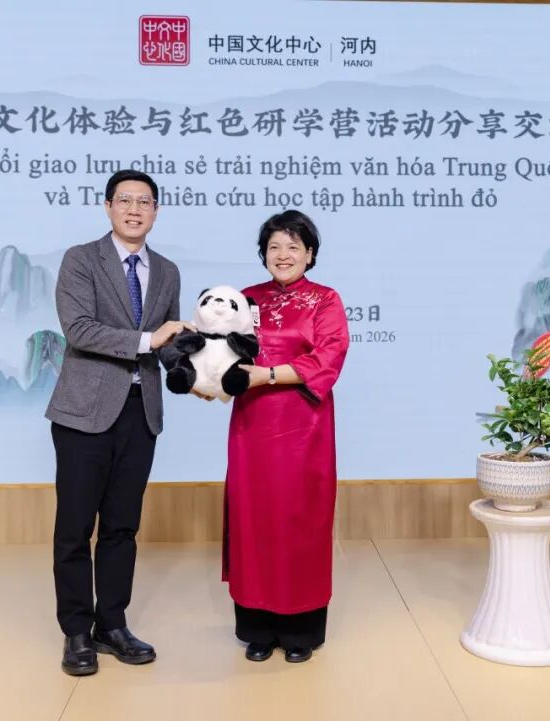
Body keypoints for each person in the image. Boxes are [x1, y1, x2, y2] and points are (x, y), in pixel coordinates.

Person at [46, 170, 191, 676]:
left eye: (144, 202)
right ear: (107, 206)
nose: (134, 209)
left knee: (122, 527)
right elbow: (79, 330)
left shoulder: (167, 271)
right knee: (74, 528)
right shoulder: (81, 259)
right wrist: (150, 341)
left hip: (140, 411)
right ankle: (75, 632)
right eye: (124, 200)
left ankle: (112, 624)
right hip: (83, 413)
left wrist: (198, 369)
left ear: (156, 211)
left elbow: (169, 342)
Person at [223, 209, 350, 663]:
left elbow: (330, 356)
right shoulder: (244, 300)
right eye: (274, 247)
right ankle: (258, 628)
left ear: (309, 254)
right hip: (252, 427)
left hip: (304, 428)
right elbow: (221, 353)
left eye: (293, 247)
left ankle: (300, 632)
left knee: (301, 520)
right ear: (263, 254)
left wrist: (268, 375)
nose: (283, 254)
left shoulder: (326, 300)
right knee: (253, 518)